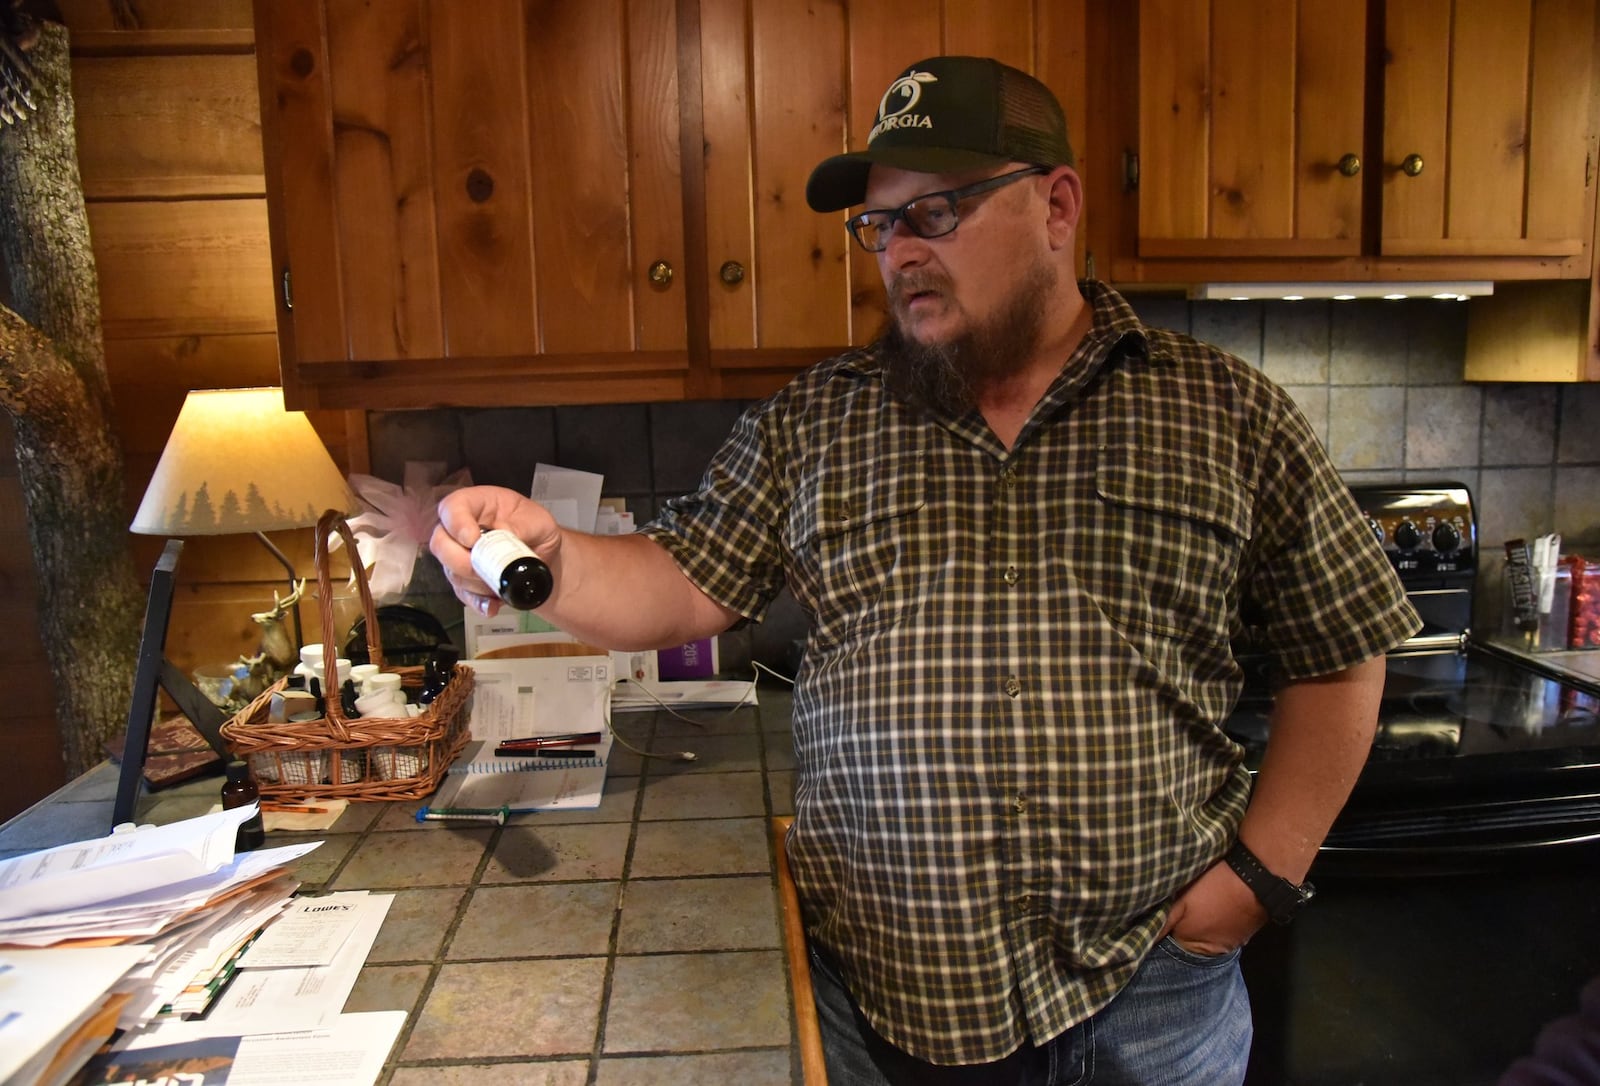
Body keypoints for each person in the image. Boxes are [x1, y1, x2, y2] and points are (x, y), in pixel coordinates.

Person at [431, 55, 1419, 1085]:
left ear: (1056, 203)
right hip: (885, 995)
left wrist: (1260, 877)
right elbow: (681, 581)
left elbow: (1340, 654)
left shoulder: (1225, 414)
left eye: (934, 213)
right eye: (878, 225)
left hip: (1150, 991)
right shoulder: (818, 420)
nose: (897, 249)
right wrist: (553, 554)